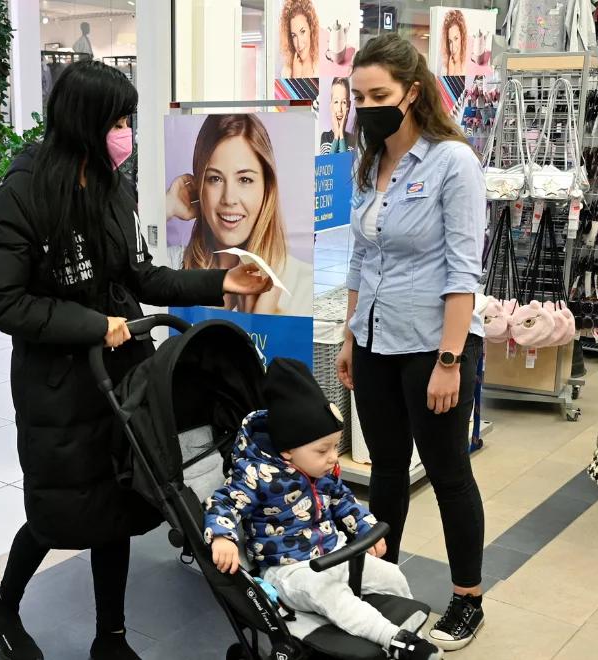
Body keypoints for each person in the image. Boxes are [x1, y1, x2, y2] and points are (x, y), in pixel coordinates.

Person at [0, 60, 273, 660]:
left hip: (124, 374)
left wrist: (218, 284)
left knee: (116, 497)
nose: (125, 132)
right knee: (60, 508)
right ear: (86, 122)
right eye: (116, 120)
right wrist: (93, 325)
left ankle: (109, 637)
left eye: (127, 120)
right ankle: (2, 608)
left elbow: (139, 273)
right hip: (59, 381)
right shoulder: (25, 191)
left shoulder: (115, 186)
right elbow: (3, 299)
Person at [335, 33, 486, 652]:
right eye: (358, 95)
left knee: (448, 472)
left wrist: (450, 362)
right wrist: (349, 336)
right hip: (373, 340)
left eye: (379, 95)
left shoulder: (454, 163)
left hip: (434, 345)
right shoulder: (367, 163)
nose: (366, 106)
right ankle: (384, 578)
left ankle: (468, 598)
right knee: (386, 470)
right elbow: (359, 258)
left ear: (413, 93)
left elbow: (462, 272)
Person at [206, 358, 442, 660]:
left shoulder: (323, 471)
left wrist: (365, 526)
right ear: (288, 451)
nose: (333, 458)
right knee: (330, 594)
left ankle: (411, 633)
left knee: (390, 574)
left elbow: (343, 500)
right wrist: (222, 537)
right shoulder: (257, 476)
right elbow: (223, 501)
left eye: (335, 446)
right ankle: (394, 641)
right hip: (290, 571)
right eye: (323, 450)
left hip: (336, 553)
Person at [165, 114, 314, 316]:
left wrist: (261, 324)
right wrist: (167, 206)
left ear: (266, 188)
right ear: (199, 185)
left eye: (244, 180)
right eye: (215, 178)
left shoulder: (303, 285)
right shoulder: (171, 265)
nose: (229, 199)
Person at [280, 0, 320, 79]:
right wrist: (295, 77)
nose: (299, 44)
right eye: (294, 35)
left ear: (311, 29)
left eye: (302, 32)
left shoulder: (321, 65)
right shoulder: (287, 71)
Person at [321, 77, 357, 155]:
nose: (340, 109)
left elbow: (345, 166)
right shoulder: (325, 137)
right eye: (336, 102)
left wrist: (341, 135)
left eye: (344, 102)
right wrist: (336, 136)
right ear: (331, 106)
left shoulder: (353, 140)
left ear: (349, 105)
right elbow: (329, 165)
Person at [440, 11, 468, 77]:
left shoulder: (468, 66)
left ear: (462, 38)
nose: (453, 48)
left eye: (456, 39)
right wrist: (450, 74)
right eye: (450, 41)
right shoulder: (445, 68)